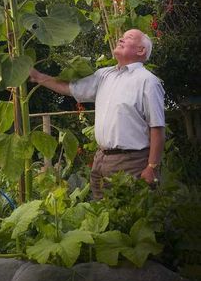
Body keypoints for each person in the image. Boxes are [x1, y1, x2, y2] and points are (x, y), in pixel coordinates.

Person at [29, 29, 165, 199]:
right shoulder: (104, 75)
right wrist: (37, 76)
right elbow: (69, 88)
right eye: (121, 37)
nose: (120, 39)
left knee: (130, 215)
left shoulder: (147, 81)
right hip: (101, 159)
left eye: (128, 38)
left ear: (141, 50)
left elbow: (157, 127)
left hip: (131, 163)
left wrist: (152, 166)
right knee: (103, 216)